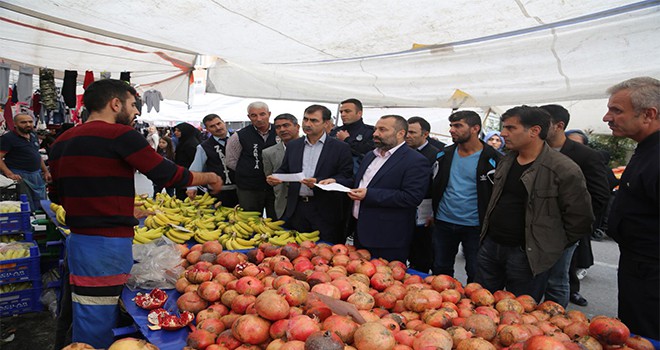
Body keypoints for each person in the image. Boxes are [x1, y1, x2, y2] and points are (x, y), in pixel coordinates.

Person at [48, 79, 223, 348]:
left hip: (80, 242)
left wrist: (113, 205)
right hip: (105, 245)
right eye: (132, 105)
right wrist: (209, 176)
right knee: (97, 315)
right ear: (114, 103)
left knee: (88, 308)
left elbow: (58, 196)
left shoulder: (62, 141)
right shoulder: (120, 135)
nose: (136, 112)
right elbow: (167, 174)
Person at [475, 106, 593, 302]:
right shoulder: (506, 160)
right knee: (480, 304)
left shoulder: (563, 168)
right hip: (492, 246)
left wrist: (550, 245)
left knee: (520, 315)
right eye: (503, 128)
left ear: (534, 131)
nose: (504, 134)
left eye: (511, 128)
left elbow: (580, 217)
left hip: (527, 255)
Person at [602, 77, 659, 340]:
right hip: (639, 267)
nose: (606, 117)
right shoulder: (646, 150)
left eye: (616, 110)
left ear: (648, 114)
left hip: (652, 274)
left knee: (645, 337)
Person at [541, 104, 610, 308]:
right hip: (534, 228)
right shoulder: (534, 150)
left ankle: (555, 322)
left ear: (558, 125)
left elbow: (599, 196)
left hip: (563, 231)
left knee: (557, 279)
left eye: (542, 121)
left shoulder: (586, 156)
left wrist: (573, 227)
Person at [349, 115, 430, 262]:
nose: (375, 134)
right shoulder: (370, 155)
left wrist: (369, 194)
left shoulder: (415, 161)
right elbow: (361, 183)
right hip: (360, 231)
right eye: (375, 129)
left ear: (400, 134)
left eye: (382, 130)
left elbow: (411, 197)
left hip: (387, 239)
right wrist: (336, 182)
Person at [432, 111, 501, 282]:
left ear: (475, 128)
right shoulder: (444, 155)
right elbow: (433, 184)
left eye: (458, 126)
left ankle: (471, 306)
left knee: (476, 271)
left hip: (475, 226)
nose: (451, 130)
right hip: (443, 222)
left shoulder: (493, 159)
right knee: (440, 268)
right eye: (451, 126)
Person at [268, 105, 353, 243]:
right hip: (297, 209)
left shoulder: (340, 148)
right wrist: (276, 177)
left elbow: (347, 178)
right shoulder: (294, 146)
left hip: (325, 210)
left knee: (325, 252)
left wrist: (325, 181)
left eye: (314, 120)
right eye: (305, 119)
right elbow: (285, 169)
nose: (307, 124)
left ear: (326, 123)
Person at [226, 101, 277, 217]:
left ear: (269, 114)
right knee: (250, 220)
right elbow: (231, 161)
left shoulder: (280, 131)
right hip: (249, 188)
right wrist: (249, 170)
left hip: (276, 187)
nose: (259, 119)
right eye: (254, 115)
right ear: (249, 117)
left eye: (262, 114)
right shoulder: (239, 136)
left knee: (276, 220)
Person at [404, 116, 439, 273]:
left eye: (412, 132)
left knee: (421, 251)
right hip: (404, 208)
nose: (408, 136)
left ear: (425, 134)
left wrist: (433, 212)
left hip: (424, 212)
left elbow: (437, 185)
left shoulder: (436, 155)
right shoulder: (402, 152)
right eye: (406, 132)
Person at [0, 113, 51, 210]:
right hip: (20, 176)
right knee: (26, 206)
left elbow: (36, 154)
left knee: (41, 205)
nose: (28, 124)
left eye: (30, 122)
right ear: (15, 124)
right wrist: (10, 174)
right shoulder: (8, 138)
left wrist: (45, 171)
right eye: (23, 122)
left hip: (36, 176)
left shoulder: (33, 135)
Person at [186, 114, 238, 207]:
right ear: (207, 129)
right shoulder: (203, 147)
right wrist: (192, 187)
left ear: (224, 123)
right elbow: (195, 169)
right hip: (218, 193)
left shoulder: (239, 139)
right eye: (212, 126)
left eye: (219, 123)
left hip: (241, 190)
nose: (217, 127)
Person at [263, 113, 300, 219]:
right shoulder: (268, 153)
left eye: (286, 125)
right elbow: (270, 177)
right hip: (283, 205)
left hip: (307, 203)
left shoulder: (310, 149)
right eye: (278, 127)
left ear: (297, 127)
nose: (282, 129)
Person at [330, 98, 374, 173]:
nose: (343, 115)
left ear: (359, 113)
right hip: (333, 173)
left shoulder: (370, 132)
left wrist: (347, 140)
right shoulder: (335, 132)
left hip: (354, 175)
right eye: (341, 112)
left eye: (347, 111)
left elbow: (368, 152)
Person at [173, 122, 201, 199]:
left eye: (178, 131)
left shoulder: (191, 144)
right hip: (182, 175)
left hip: (188, 176)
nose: (176, 132)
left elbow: (194, 162)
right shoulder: (183, 142)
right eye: (175, 130)